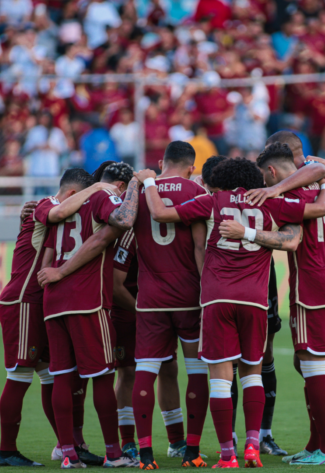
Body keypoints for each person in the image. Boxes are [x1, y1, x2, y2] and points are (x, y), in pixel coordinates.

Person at [144, 157, 325, 468]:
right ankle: (253, 449)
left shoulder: (211, 200)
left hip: (217, 298)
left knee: (219, 377)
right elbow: (321, 209)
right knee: (252, 374)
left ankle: (227, 455)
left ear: (221, 182)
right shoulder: (272, 202)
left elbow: (160, 213)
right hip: (255, 300)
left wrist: (149, 181)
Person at [246, 144, 325, 464]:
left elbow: (290, 239)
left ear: (272, 172)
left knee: (313, 367)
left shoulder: (284, 201)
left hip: (312, 291)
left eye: (265, 178)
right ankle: (319, 443)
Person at [0, 169, 117, 467]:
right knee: (19, 375)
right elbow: (60, 210)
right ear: (74, 193)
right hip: (23, 301)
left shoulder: (52, 210)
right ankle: (7, 451)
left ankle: (70, 446)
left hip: (44, 302)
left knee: (54, 376)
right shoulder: (47, 204)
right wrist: (97, 188)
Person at [35, 167, 145, 469]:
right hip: (87, 301)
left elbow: (45, 262)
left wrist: (55, 274)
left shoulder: (56, 211)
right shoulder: (100, 199)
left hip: (53, 301)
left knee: (62, 377)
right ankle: (113, 453)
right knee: (101, 377)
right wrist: (136, 186)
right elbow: (121, 221)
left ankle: (68, 453)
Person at [117, 142, 210, 470]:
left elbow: (123, 223)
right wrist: (205, 292)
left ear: (162, 162)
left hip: (151, 298)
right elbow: (200, 246)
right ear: (191, 167)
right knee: (197, 371)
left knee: (146, 370)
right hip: (189, 297)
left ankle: (144, 455)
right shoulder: (196, 192)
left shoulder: (141, 194)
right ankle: (191, 452)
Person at [93, 162, 187, 462]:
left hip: (155, 308)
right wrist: (142, 310)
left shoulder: (159, 222)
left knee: (170, 369)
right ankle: (129, 442)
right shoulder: (128, 229)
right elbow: (116, 285)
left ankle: (176, 440)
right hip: (130, 309)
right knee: (129, 372)